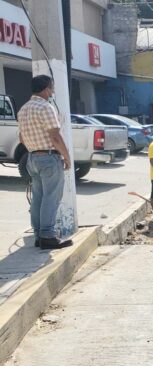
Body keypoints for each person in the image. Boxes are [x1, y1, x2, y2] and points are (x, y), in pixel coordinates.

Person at [17, 75, 72, 249]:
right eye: (52, 88)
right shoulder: (45, 107)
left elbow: (21, 137)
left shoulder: (23, 109)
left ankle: (39, 235)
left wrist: (35, 149)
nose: (53, 91)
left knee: (38, 198)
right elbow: (55, 136)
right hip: (49, 158)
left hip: (32, 157)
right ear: (46, 88)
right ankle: (48, 235)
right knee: (52, 196)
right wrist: (67, 157)